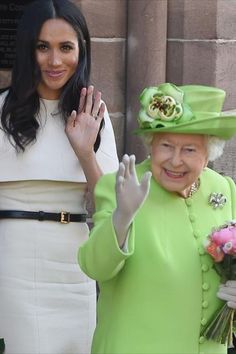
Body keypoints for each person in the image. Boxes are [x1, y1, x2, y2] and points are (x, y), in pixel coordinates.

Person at [79, 83, 236, 354]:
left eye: (189, 150)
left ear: (209, 153)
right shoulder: (120, 186)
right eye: (166, 146)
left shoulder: (223, 188)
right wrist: (121, 218)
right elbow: (95, 267)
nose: (175, 161)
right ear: (151, 144)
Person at [0, 0, 118, 353]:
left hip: (74, 264)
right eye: (42, 47)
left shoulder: (95, 115)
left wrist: (84, 151)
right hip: (13, 262)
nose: (55, 61)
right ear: (27, 50)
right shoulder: (2, 111)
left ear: (81, 50)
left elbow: (106, 209)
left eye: (66, 47)